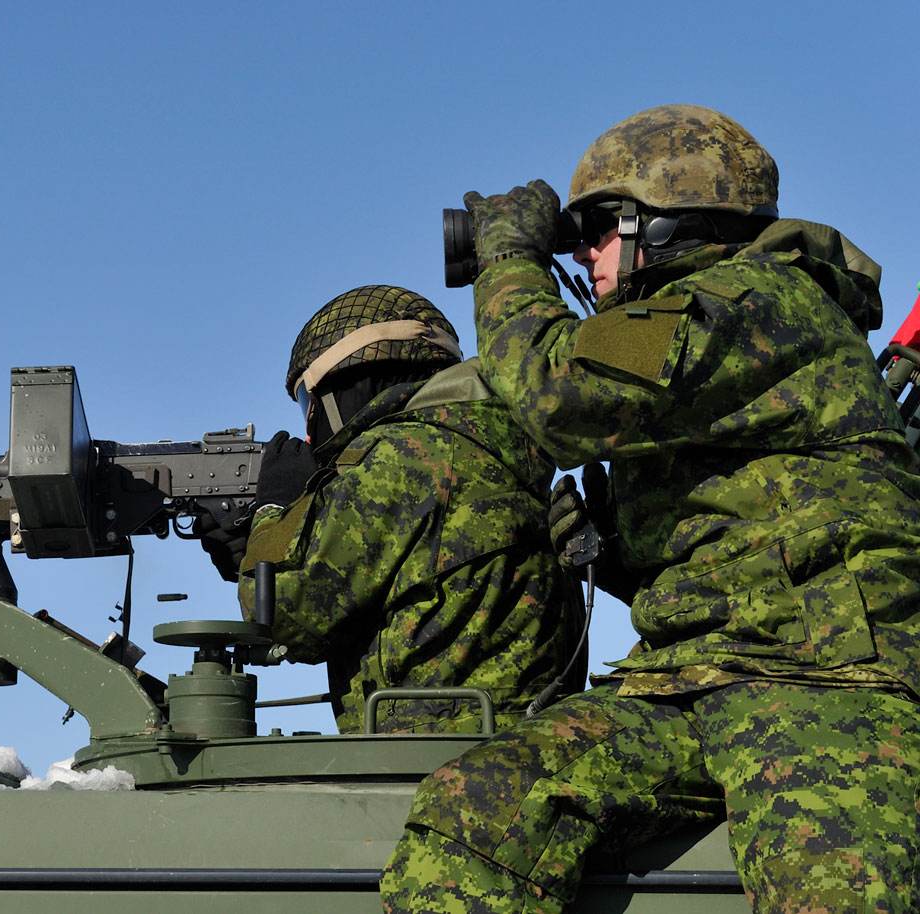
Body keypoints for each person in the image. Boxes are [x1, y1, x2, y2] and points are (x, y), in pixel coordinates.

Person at [380, 105, 920, 912]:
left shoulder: (756, 300)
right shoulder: (688, 360)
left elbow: (555, 394)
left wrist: (508, 258)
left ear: (660, 225)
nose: (585, 252)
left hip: (829, 682)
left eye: (597, 228)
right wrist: (621, 554)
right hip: (683, 684)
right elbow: (744, 544)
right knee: (480, 806)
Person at [198, 285, 582, 734]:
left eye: (309, 401)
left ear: (353, 382)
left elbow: (286, 618)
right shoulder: (485, 441)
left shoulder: (399, 456)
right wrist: (262, 549)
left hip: (434, 756)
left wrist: (274, 511)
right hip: (504, 736)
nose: (308, 428)